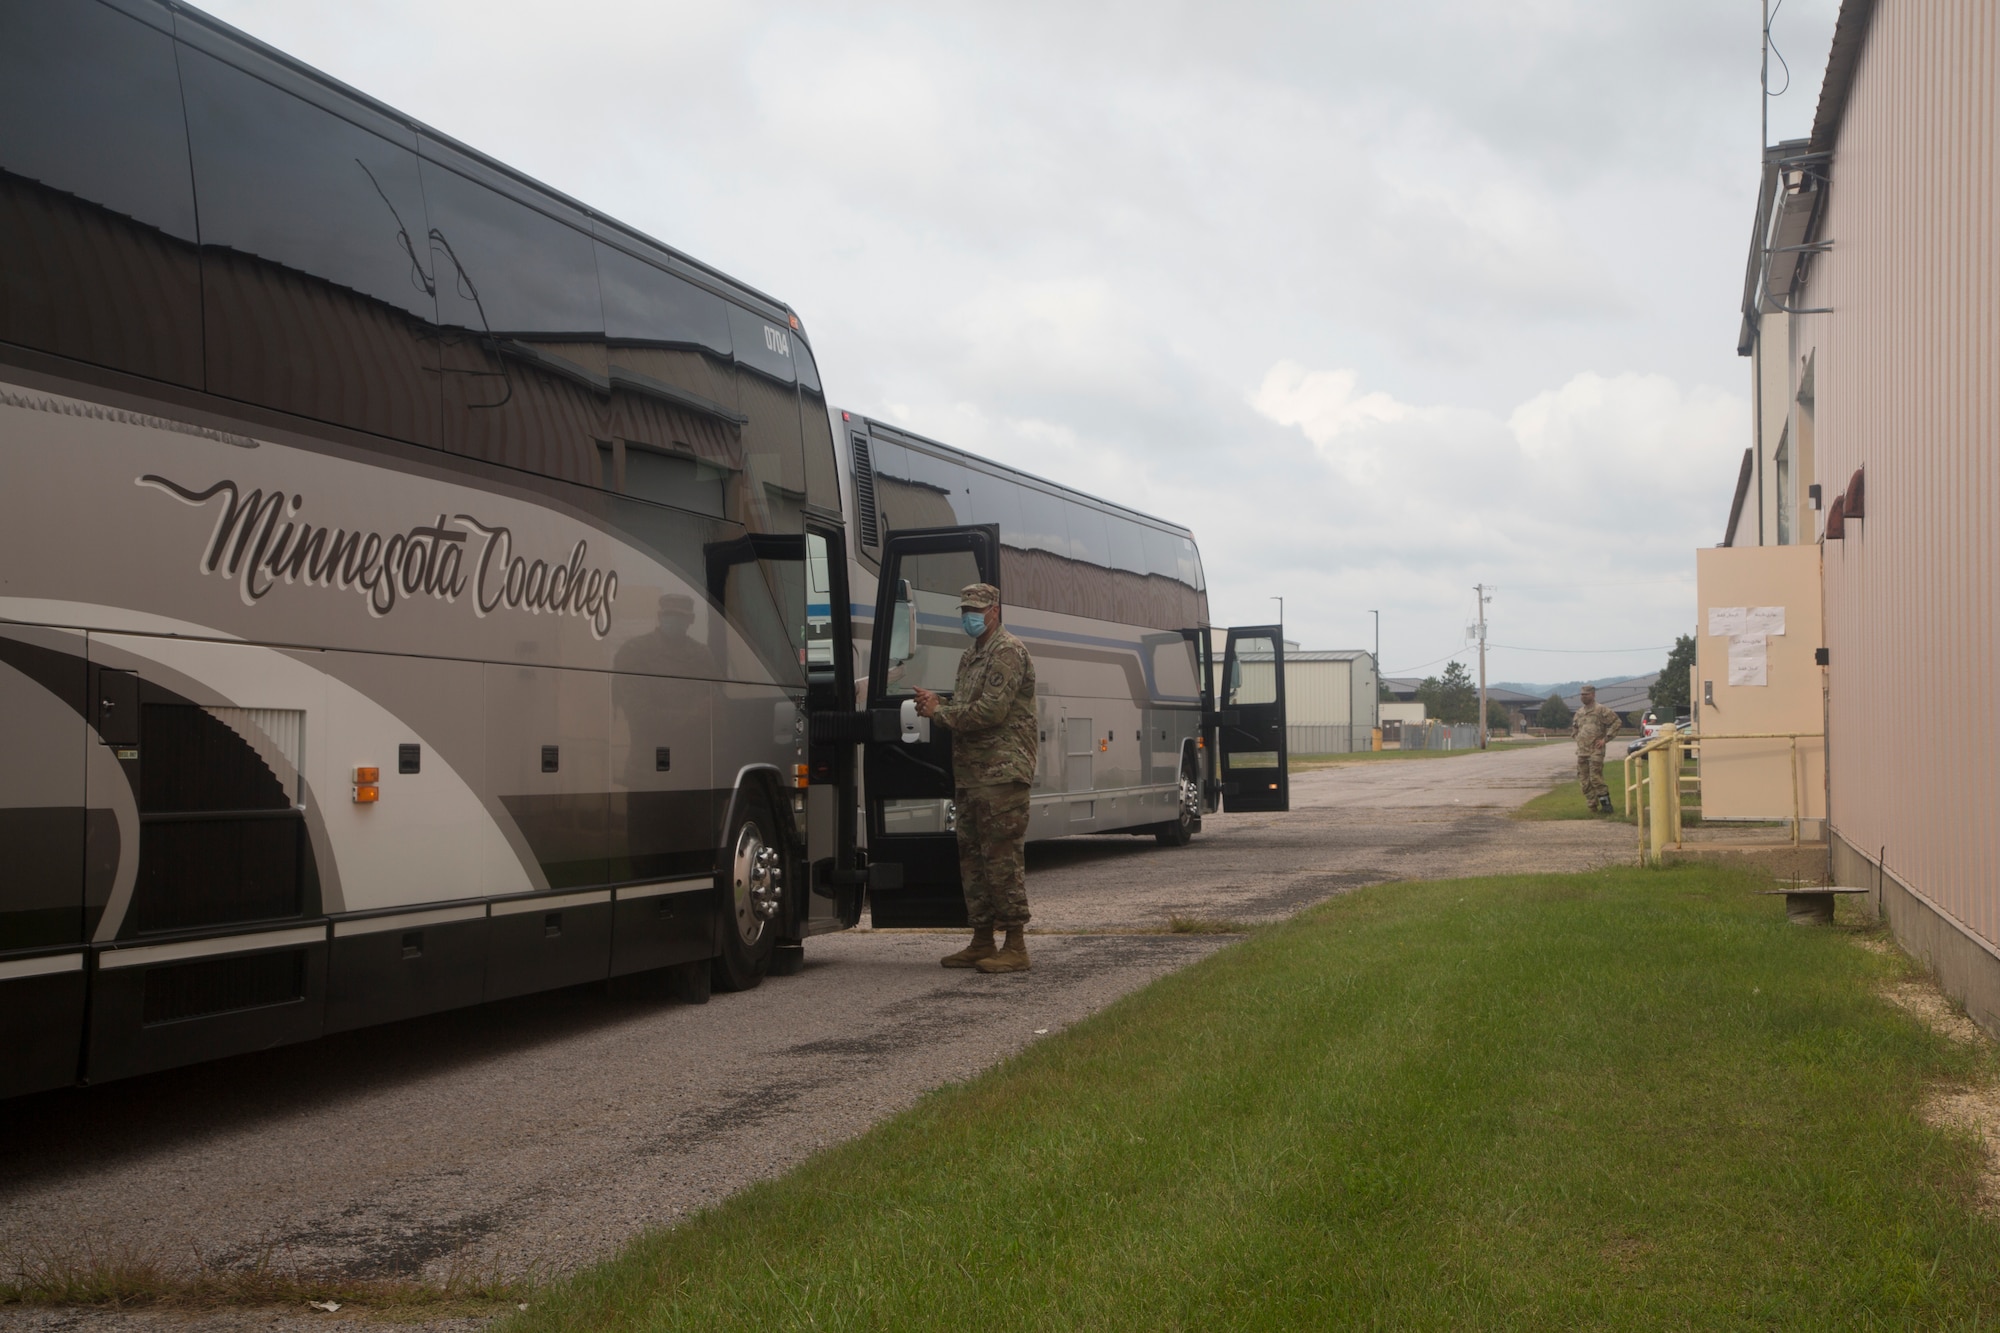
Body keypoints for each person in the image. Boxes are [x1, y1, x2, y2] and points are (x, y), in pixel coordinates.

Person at [912, 583, 1038, 974]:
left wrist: (939, 713)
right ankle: (982, 939)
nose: (970, 615)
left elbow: (990, 712)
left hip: (1001, 774)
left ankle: (1015, 945)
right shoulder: (972, 656)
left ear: (995, 611)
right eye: (966, 608)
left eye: (978, 609)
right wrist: (940, 702)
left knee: (1002, 859)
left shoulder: (1008, 651)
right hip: (971, 775)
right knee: (974, 861)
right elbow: (968, 707)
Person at [1571, 685, 1621, 813]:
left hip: (1595, 751)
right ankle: (1592, 805)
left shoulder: (1601, 710)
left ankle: (1606, 806)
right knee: (1584, 779)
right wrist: (1577, 737)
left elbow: (1616, 722)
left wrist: (1605, 739)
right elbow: (1576, 728)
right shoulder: (1579, 713)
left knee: (1595, 778)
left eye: (1586, 695)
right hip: (1582, 751)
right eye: (1581, 695)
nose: (1583, 697)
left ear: (1593, 695)